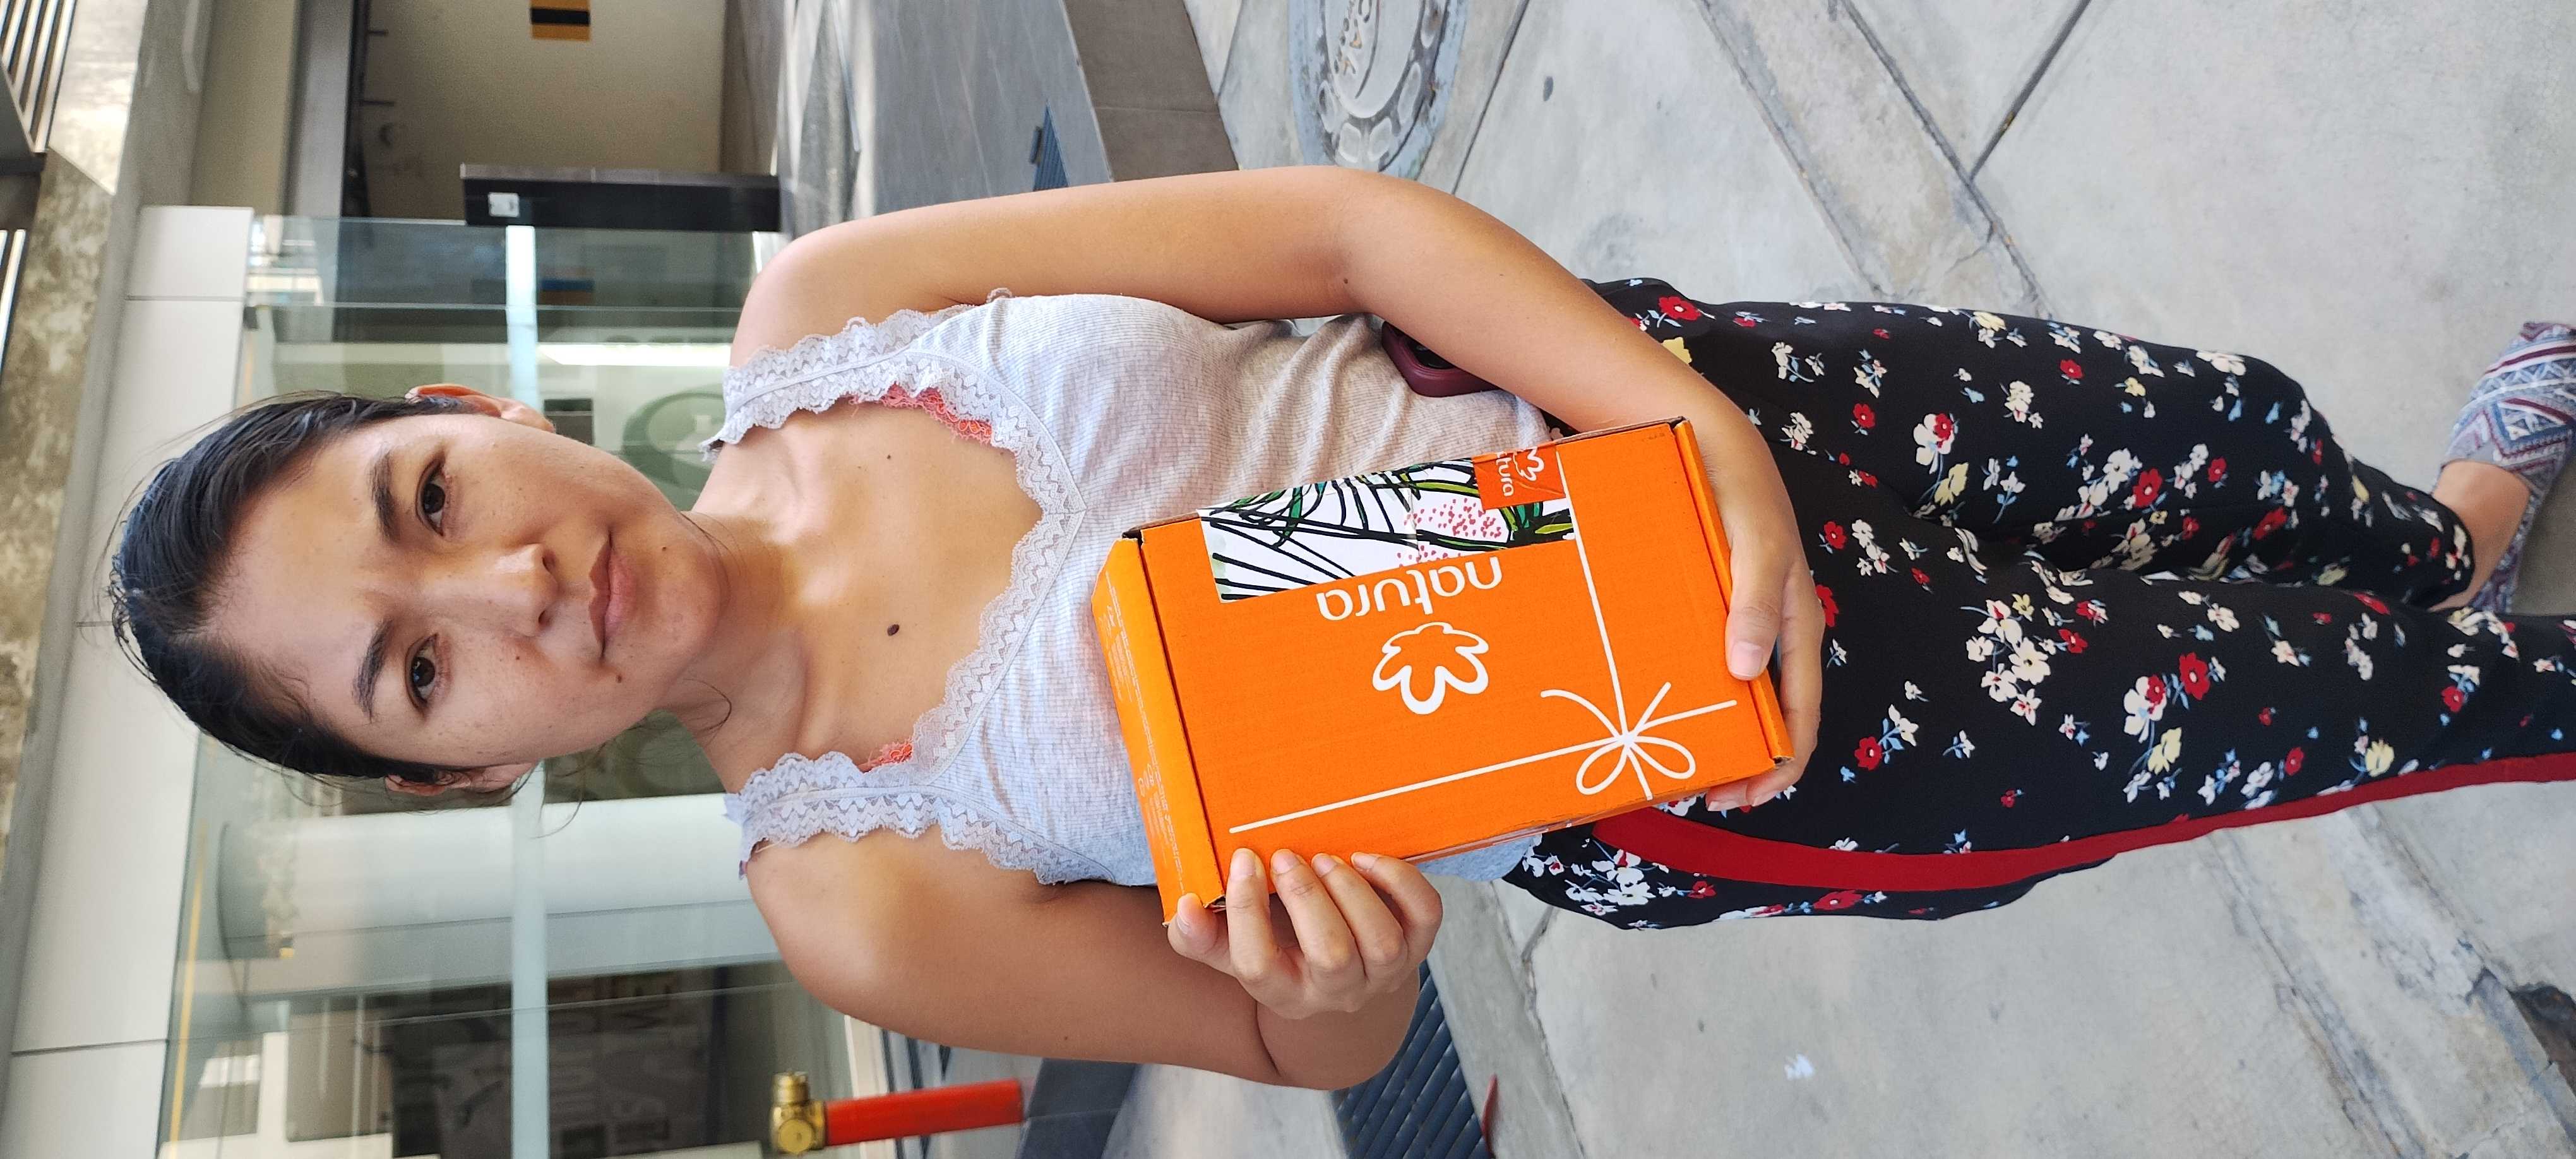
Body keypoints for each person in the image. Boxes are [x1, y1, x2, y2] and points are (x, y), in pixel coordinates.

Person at [109, 168, 2575, 1089]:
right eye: (417, 664)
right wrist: (1329, 976)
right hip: (1713, 741)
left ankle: (2441, 524)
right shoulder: (856, 893)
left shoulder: (829, 310)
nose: (509, 583)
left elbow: (1342, 238)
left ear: (466, 410)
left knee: (2220, 451)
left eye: (426, 500)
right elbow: (1316, 1045)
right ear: (464, 771)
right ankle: (2474, 654)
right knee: (2292, 711)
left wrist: (1684, 426)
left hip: (1688, 405)